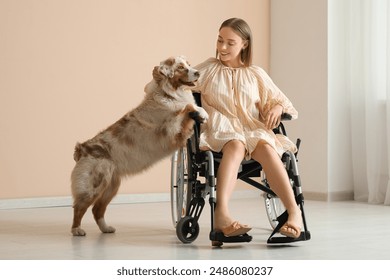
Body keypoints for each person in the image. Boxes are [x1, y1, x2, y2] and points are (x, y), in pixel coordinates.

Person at [192, 18, 302, 242]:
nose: (222, 47)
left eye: (230, 43)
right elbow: (173, 85)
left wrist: (277, 108)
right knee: (235, 144)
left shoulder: (256, 74)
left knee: (267, 148)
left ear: (244, 44)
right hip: (222, 130)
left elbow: (287, 105)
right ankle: (221, 214)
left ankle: (294, 213)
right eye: (220, 40)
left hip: (253, 129)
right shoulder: (208, 69)